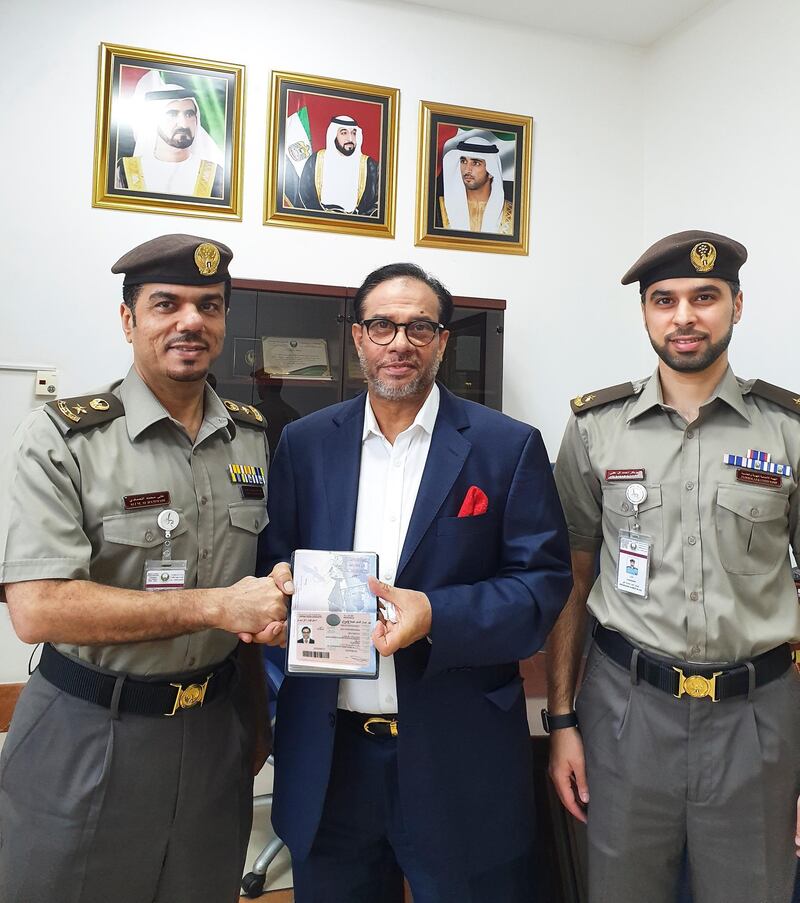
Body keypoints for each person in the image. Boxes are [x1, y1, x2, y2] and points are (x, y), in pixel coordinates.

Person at [256, 262, 572, 902]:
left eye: (419, 327)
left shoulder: (505, 447)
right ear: (358, 337)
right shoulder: (305, 443)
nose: (400, 342)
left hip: (459, 760)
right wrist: (278, 632)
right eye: (382, 326)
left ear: (443, 340)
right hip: (332, 761)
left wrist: (435, 614)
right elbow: (274, 570)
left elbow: (540, 589)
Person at [0, 234, 287, 903]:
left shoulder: (249, 436)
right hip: (90, 724)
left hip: (214, 727)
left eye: (209, 306)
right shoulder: (64, 436)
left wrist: (255, 716)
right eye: (167, 304)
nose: (191, 321)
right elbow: (38, 607)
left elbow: (251, 587)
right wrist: (214, 606)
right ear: (129, 319)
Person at [546, 230, 800, 903]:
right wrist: (563, 721)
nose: (684, 315)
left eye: (705, 297)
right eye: (665, 300)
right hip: (626, 712)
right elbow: (573, 581)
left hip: (758, 718)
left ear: (737, 307)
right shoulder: (596, 428)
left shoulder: (788, 429)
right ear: (646, 313)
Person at [115, 80, 224, 198]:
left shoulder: (215, 175)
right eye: (172, 114)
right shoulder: (125, 171)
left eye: (189, 114)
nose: (183, 124)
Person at [297, 114, 379, 216]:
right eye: (344, 133)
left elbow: (377, 202)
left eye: (353, 133)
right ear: (333, 135)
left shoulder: (369, 166)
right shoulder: (317, 160)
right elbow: (306, 193)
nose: (350, 139)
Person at [437, 136, 513, 234]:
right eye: (463, 161)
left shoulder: (512, 214)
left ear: (491, 171)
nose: (467, 169)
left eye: (476, 163)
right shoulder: (440, 210)